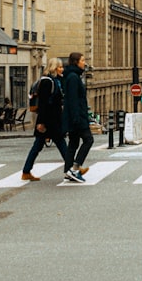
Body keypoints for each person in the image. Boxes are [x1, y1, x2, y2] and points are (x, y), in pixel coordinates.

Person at [21, 58, 70, 181]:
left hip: (51, 119)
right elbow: (43, 103)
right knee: (61, 144)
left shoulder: (54, 81)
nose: (62, 69)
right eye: (59, 67)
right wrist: (41, 122)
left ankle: (26, 171)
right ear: (54, 68)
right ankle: (73, 168)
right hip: (49, 121)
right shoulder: (47, 82)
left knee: (38, 146)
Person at [62, 52, 94, 183]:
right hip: (77, 117)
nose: (84, 63)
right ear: (76, 62)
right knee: (88, 140)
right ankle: (75, 168)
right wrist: (77, 117)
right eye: (82, 60)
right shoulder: (74, 77)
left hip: (73, 116)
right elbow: (74, 100)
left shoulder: (71, 75)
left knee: (73, 143)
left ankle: (68, 171)